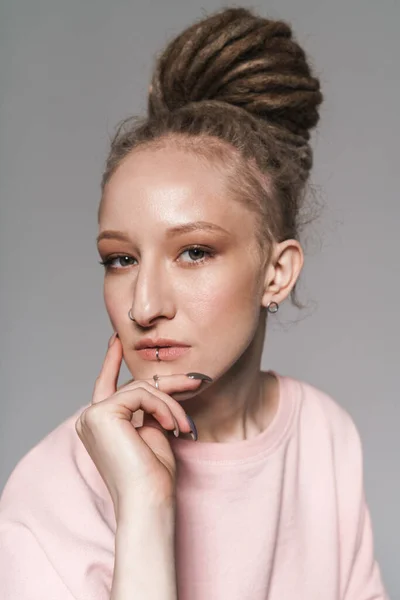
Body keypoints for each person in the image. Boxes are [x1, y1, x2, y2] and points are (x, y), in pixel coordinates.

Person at [0, 6, 389, 600]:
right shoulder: (49, 491)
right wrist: (146, 505)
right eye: (120, 260)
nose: (145, 305)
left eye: (195, 252)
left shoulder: (323, 436)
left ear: (276, 273)